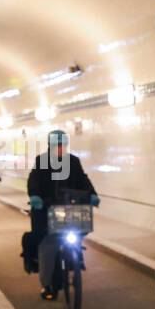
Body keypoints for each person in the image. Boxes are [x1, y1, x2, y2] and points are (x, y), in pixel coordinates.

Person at [27, 129, 99, 300]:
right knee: (48, 244)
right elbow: (34, 179)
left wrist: (92, 194)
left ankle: (75, 259)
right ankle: (47, 285)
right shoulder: (43, 161)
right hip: (46, 211)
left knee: (76, 233)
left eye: (63, 145)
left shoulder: (73, 161)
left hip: (69, 210)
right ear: (50, 146)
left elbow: (83, 179)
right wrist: (35, 196)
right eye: (57, 145)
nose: (60, 148)